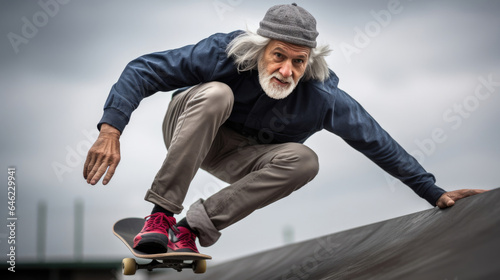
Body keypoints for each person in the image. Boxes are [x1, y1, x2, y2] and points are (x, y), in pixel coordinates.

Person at [83, 3, 487, 253]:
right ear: (261, 48)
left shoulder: (321, 95)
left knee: (305, 160)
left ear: (309, 60)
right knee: (217, 94)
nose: (286, 70)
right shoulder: (223, 54)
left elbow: (377, 142)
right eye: (278, 56)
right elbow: (143, 69)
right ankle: (161, 216)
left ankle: (190, 229)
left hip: (241, 159)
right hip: (190, 128)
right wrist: (111, 129)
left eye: (298, 62)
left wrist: (432, 191)